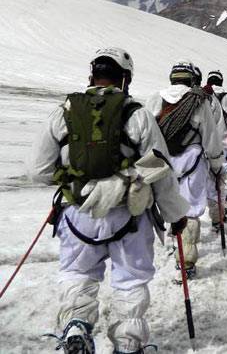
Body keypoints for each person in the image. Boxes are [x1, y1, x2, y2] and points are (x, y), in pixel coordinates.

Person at [31, 48, 190, 353]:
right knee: (130, 279)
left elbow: (37, 170)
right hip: (129, 213)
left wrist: (72, 183)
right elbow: (161, 170)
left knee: (78, 272)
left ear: (91, 75)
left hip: (77, 212)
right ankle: (128, 343)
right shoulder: (137, 114)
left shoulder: (63, 112)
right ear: (125, 78)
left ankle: (76, 324)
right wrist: (175, 214)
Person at [147, 60, 226, 280]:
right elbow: (211, 138)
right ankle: (186, 261)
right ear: (193, 79)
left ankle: (175, 242)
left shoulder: (155, 98)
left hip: (162, 163)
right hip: (192, 163)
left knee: (169, 205)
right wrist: (217, 166)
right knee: (190, 210)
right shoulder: (199, 102)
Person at [202, 70, 227, 228]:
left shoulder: (202, 95)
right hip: (222, 142)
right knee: (219, 181)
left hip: (203, 143)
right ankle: (218, 216)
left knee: (206, 180)